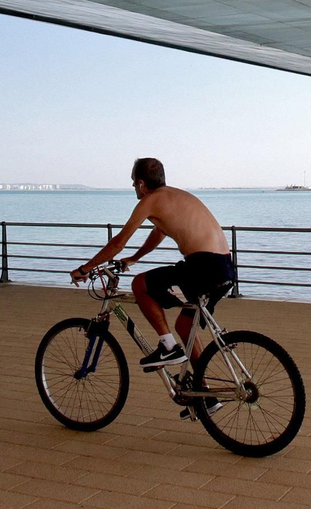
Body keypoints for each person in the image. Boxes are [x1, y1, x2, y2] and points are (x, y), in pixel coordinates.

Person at [73, 157, 236, 373]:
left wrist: (85, 269)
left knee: (140, 284)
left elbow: (118, 242)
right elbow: (159, 232)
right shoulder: (177, 196)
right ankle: (203, 395)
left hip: (204, 267)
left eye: (133, 183)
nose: (133, 187)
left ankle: (168, 347)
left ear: (141, 184)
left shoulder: (150, 201)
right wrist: (134, 258)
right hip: (224, 268)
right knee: (184, 326)